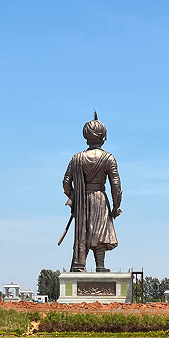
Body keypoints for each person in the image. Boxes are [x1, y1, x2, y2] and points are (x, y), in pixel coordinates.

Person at [63, 112, 122, 272]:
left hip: (82, 201)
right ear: (103, 137)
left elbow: (66, 183)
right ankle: (100, 266)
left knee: (85, 231)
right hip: (100, 198)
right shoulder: (108, 158)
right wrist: (116, 206)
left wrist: (75, 197)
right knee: (100, 231)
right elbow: (116, 186)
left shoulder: (77, 158)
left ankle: (80, 265)